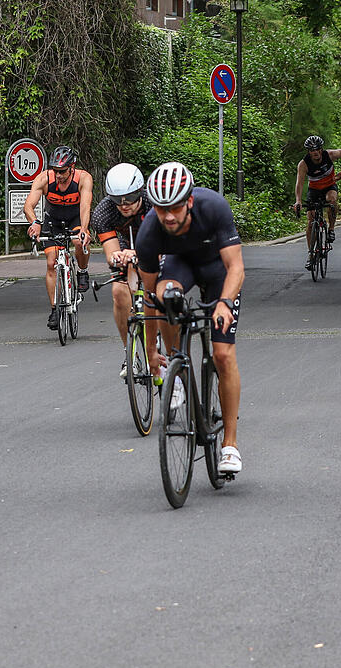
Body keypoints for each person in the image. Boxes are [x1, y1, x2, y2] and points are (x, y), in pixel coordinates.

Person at [136, 162, 244, 475]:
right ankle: (176, 363)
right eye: (161, 209)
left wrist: (224, 302)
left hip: (217, 270)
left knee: (223, 355)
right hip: (179, 267)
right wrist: (151, 350)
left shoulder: (214, 208)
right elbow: (149, 298)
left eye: (175, 208)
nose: (168, 216)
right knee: (166, 296)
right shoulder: (148, 233)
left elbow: (236, 268)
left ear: (190, 201)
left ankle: (230, 445)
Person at [24, 146, 94, 331]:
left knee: (79, 241)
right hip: (52, 220)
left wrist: (84, 230)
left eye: (62, 171)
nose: (59, 175)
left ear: (72, 167)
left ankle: (83, 271)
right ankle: (55, 309)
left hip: (75, 218)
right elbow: (28, 206)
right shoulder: (44, 178)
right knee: (50, 263)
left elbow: (85, 207)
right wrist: (35, 223)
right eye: (56, 171)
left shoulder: (83, 178)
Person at [92, 162, 153, 377]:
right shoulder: (103, 212)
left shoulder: (153, 203)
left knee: (156, 287)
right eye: (117, 200)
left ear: (139, 192)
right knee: (118, 291)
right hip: (126, 243)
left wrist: (142, 255)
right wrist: (117, 257)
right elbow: (111, 253)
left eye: (129, 199)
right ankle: (131, 352)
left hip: (153, 241)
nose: (124, 205)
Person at [293, 135, 341, 271]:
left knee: (332, 199)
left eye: (317, 149)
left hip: (329, 186)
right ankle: (311, 254)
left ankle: (331, 229)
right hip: (314, 190)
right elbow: (299, 184)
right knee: (311, 221)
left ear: (321, 149)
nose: (315, 153)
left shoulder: (329, 155)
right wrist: (298, 201)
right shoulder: (303, 164)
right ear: (308, 152)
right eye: (312, 150)